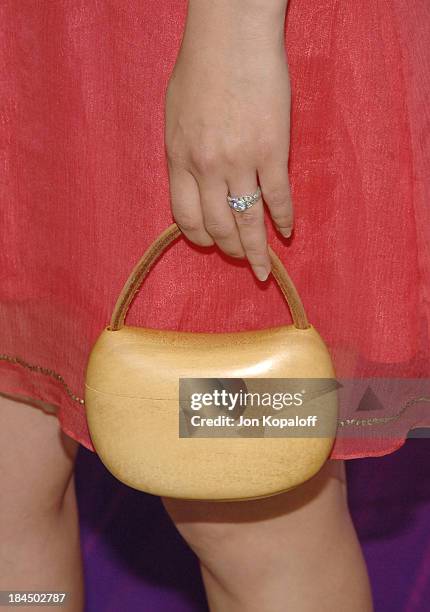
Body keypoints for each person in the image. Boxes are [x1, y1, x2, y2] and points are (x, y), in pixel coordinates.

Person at [1, 1, 429, 610]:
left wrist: (235, 40)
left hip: (171, 36)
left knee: (247, 522)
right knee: (8, 481)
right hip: (29, 44)